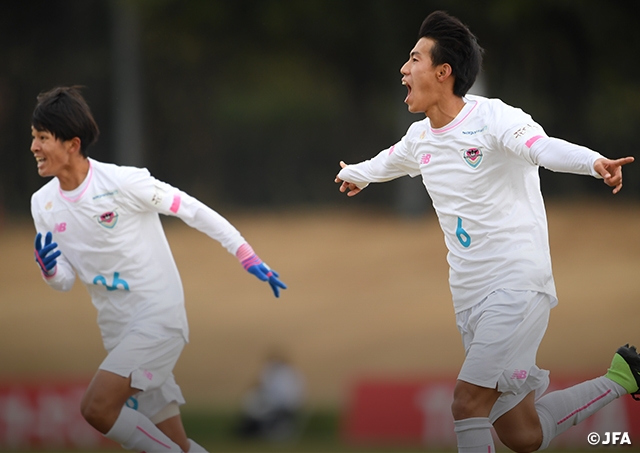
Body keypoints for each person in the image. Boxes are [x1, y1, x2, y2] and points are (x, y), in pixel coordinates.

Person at [335, 11, 638, 453]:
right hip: (470, 299)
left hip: (516, 287)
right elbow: (388, 161)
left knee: (466, 402)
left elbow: (542, 148)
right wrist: (357, 174)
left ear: (444, 72)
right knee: (523, 434)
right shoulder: (420, 139)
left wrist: (594, 162)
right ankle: (623, 377)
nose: (404, 69)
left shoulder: (496, 118)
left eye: (414, 59)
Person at [30, 86, 287, 453]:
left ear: (72, 144)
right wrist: (50, 271)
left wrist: (245, 253)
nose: (34, 147)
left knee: (96, 408)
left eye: (42, 138)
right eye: (33, 137)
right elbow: (65, 281)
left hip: (157, 321)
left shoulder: (123, 182)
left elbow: (192, 209)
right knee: (176, 442)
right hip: (117, 332)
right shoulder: (43, 204)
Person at [236, 350, 305, 441]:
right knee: (254, 404)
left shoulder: (280, 373)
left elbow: (264, 387)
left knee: (255, 405)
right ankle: (252, 429)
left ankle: (254, 429)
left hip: (282, 405)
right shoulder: (289, 372)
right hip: (284, 404)